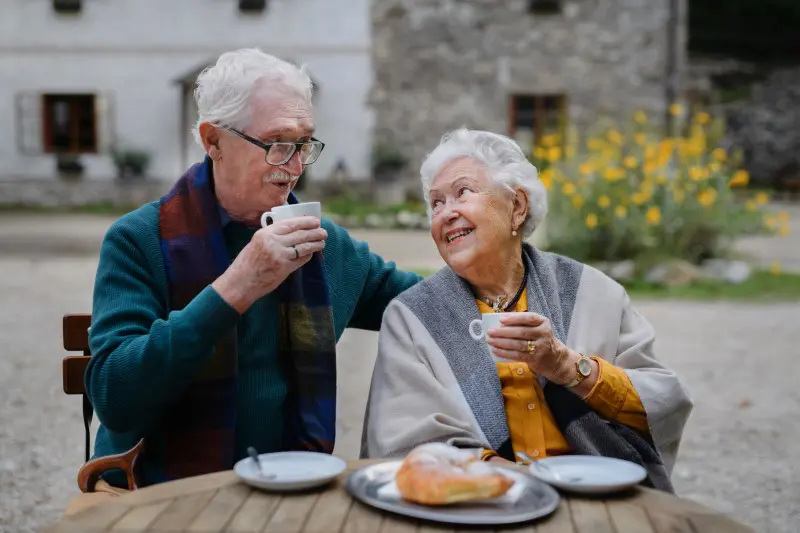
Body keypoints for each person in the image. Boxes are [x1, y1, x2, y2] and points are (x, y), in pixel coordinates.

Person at [74, 48, 422, 505]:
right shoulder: (139, 241)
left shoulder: (320, 243)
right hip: (157, 494)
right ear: (213, 140)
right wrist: (237, 286)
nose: (294, 165)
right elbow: (115, 397)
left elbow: (425, 302)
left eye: (304, 144)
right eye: (277, 142)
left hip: (290, 489)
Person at [361, 128, 693, 492]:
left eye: (462, 193)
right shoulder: (411, 317)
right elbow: (402, 442)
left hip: (594, 494)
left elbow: (663, 400)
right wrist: (514, 483)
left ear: (517, 207)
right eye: (436, 203)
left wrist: (565, 367)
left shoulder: (592, 292)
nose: (446, 213)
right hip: (478, 504)